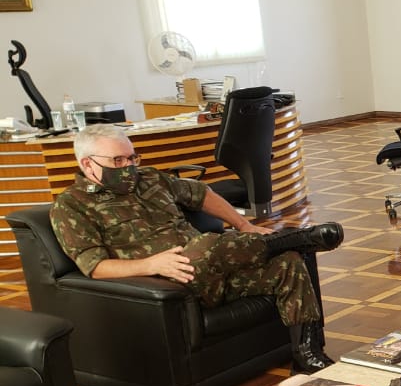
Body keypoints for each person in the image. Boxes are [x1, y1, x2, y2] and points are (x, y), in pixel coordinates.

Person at [50, 124, 343, 373]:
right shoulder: (71, 206)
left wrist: (244, 225)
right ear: (87, 164)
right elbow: (95, 266)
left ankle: (307, 356)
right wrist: (151, 264)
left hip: (216, 269)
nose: (129, 166)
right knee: (204, 244)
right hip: (172, 280)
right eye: (118, 160)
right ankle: (293, 237)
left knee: (287, 262)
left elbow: (202, 194)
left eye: (132, 157)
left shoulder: (150, 177)